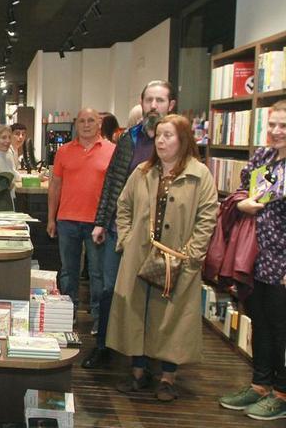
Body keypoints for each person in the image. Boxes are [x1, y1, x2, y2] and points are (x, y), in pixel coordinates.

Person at [107, 114, 217, 402]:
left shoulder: (199, 174)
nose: (161, 141)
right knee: (137, 312)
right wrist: (127, 239)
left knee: (173, 317)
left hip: (178, 259)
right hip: (140, 256)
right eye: (158, 136)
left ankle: (168, 377)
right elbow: (124, 205)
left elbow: (207, 217)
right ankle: (138, 371)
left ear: (183, 139)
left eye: (168, 135)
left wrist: (192, 255)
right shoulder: (143, 171)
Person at [85, 80, 177, 369]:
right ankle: (104, 346)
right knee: (109, 289)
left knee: (153, 295)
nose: (153, 106)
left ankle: (149, 358)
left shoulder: (177, 139)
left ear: (170, 105)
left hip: (161, 235)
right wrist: (101, 222)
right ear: (142, 102)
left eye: (160, 100)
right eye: (149, 100)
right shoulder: (130, 138)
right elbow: (113, 180)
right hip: (120, 229)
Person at [218, 100, 286, 421]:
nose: (275, 131)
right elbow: (248, 192)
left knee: (282, 329)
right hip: (257, 256)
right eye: (271, 124)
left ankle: (282, 393)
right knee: (260, 322)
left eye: (283, 125)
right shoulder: (264, 157)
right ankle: (260, 384)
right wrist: (242, 203)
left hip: (283, 264)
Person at [47, 108, 115, 333]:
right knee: (68, 271)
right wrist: (51, 218)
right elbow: (55, 186)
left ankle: (98, 317)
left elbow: (115, 189)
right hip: (67, 220)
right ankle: (68, 314)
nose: (86, 125)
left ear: (99, 124)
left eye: (91, 121)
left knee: (97, 272)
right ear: (76, 125)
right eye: (82, 121)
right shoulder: (64, 152)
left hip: (98, 223)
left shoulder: (111, 151)